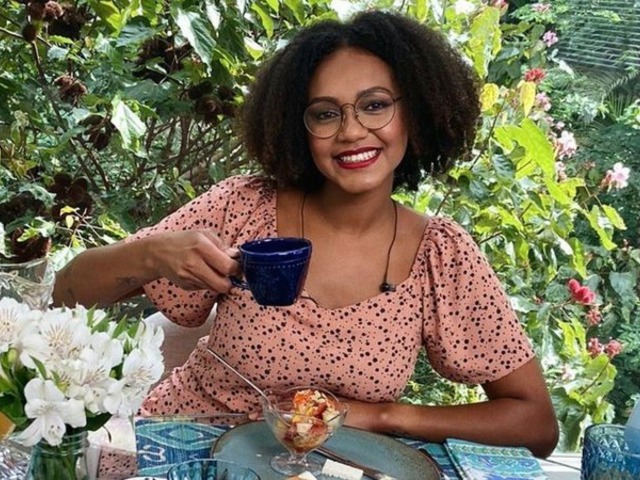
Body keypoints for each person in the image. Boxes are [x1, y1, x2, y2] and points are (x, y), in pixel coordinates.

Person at [53, 10, 559, 457]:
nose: (351, 131)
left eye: (375, 105)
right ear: (299, 126)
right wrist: (150, 255)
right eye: (325, 113)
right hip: (187, 447)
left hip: (333, 468)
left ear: (418, 111)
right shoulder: (244, 206)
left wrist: (384, 415)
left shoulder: (439, 254)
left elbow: (535, 424)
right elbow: (65, 294)